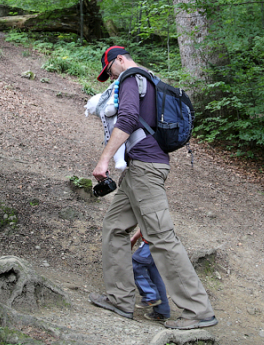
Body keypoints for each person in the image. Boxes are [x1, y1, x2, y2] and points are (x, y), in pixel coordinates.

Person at [88, 46, 217, 330]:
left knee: (161, 238)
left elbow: (128, 119)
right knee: (114, 226)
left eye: (109, 71)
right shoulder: (151, 78)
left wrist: (104, 159)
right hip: (139, 170)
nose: (110, 77)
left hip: (146, 169)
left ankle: (198, 311)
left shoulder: (131, 77)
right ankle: (120, 299)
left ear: (119, 60)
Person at [131, 229, 170, 322]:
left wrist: (134, 238)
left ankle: (150, 296)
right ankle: (162, 312)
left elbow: (150, 218)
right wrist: (134, 238)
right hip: (159, 240)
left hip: (152, 240)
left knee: (136, 264)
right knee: (154, 273)